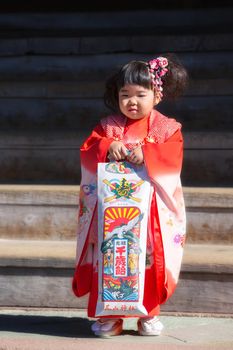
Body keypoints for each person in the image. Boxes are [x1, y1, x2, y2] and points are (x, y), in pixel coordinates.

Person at [72, 54, 188, 337]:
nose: (132, 101)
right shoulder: (106, 128)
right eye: (125, 95)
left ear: (157, 96)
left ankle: (148, 313)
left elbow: (173, 158)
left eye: (140, 94)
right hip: (113, 216)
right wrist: (107, 146)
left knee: (147, 259)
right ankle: (110, 316)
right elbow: (89, 151)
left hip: (149, 216)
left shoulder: (167, 130)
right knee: (111, 257)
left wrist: (149, 152)